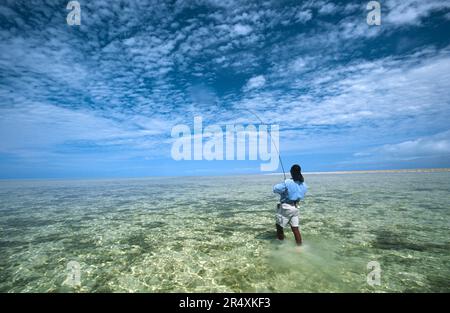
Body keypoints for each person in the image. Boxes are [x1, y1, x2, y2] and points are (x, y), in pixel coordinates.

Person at [273, 164, 308, 246]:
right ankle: (299, 246)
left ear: (291, 172)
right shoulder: (304, 184)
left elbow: (275, 189)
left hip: (286, 207)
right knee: (295, 229)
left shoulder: (288, 182)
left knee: (279, 226)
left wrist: (285, 184)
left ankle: (280, 245)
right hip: (296, 208)